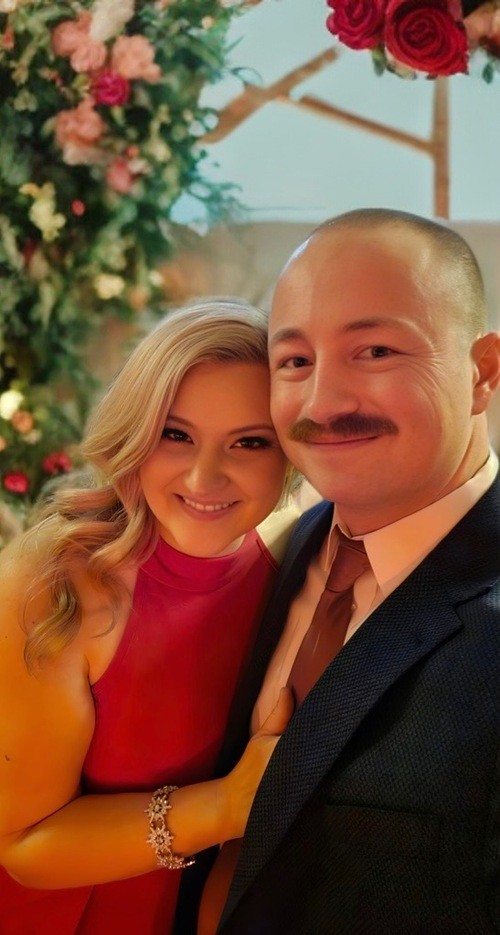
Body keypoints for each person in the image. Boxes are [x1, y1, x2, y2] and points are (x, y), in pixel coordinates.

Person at [211, 210, 500, 934]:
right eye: (294, 361)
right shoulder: (271, 551)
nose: (323, 404)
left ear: (483, 371)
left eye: (374, 351)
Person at [0, 300, 298, 935]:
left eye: (249, 442)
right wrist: (226, 807)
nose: (204, 477)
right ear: (135, 432)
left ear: (290, 452)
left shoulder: (298, 563)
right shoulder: (54, 582)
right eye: (175, 434)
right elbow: (23, 845)